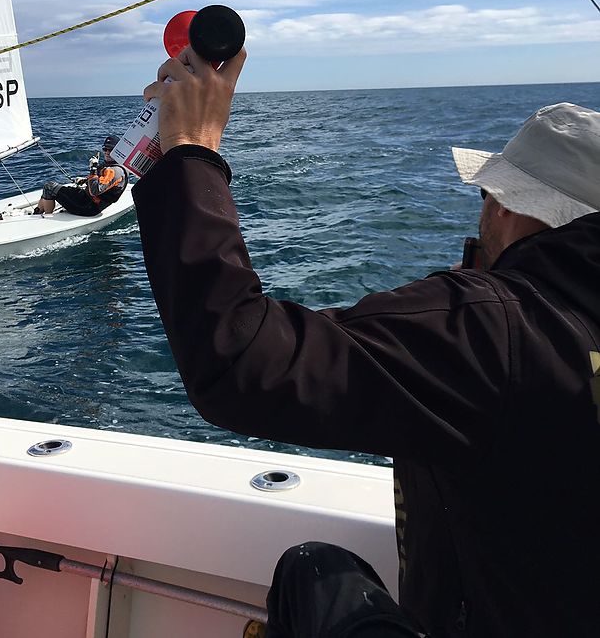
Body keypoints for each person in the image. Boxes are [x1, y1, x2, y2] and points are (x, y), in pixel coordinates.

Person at [131, 45, 600, 638]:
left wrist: (191, 151)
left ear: (511, 209)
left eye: (488, 196)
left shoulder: (496, 332)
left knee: (314, 572)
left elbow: (244, 360)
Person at [35, 134, 127, 216]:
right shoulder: (114, 167)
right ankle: (38, 212)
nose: (107, 152)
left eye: (111, 150)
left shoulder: (113, 171)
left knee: (49, 187)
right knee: (55, 189)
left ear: (118, 151)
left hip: (87, 207)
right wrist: (84, 180)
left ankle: (45, 218)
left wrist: (93, 169)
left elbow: (95, 191)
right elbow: (101, 182)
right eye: (105, 149)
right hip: (90, 203)